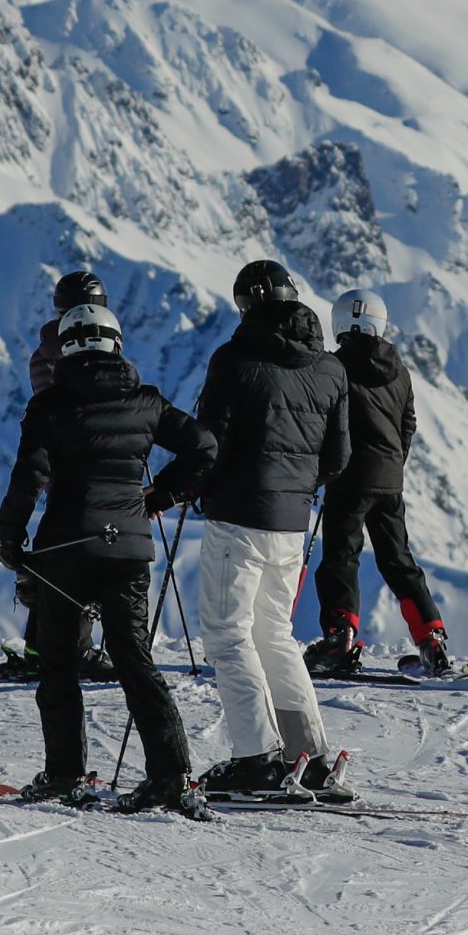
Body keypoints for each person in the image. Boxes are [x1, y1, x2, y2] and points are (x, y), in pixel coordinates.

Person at [0, 300, 217, 817]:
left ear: (66, 348)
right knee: (136, 663)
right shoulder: (147, 402)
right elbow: (205, 446)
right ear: (117, 343)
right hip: (130, 549)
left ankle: (65, 775)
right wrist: (160, 496)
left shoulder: (49, 406)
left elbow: (26, 480)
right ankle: (172, 777)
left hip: (64, 550)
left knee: (59, 666)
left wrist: (12, 544)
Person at [193, 259, 352, 794]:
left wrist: (192, 486)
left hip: (238, 517)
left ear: (245, 305)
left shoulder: (234, 360)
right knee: (274, 634)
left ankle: (257, 756)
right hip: (293, 523)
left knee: (228, 634)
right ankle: (309, 752)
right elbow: (339, 457)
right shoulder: (330, 368)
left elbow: (210, 443)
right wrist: (297, 486)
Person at [304, 289, 452, 679]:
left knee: (340, 559)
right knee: (398, 561)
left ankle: (340, 638)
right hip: (389, 480)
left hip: (348, 478)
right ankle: (431, 638)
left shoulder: (332, 367)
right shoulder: (399, 369)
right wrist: (391, 463)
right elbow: (408, 424)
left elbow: (323, 422)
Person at [0, 269, 115, 685]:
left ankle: (41, 647)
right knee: (86, 556)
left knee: (60, 555)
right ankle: (75, 649)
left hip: (58, 467)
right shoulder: (85, 350)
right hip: (90, 466)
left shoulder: (46, 350)